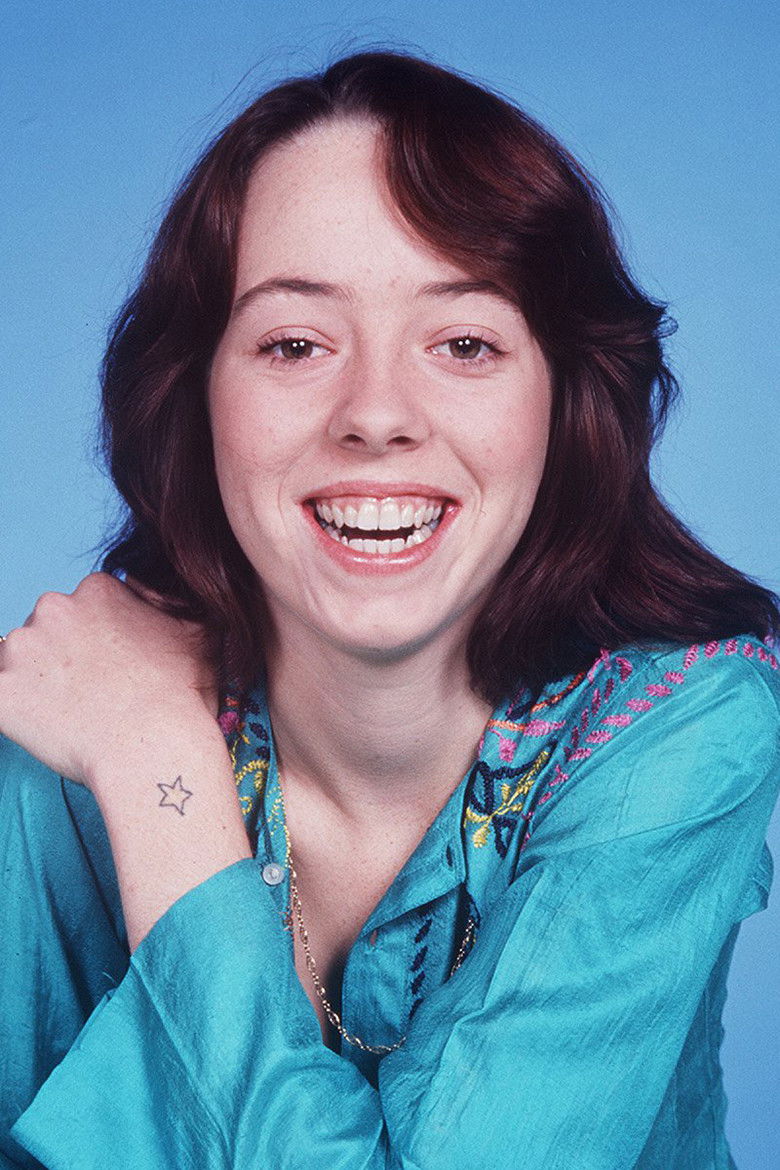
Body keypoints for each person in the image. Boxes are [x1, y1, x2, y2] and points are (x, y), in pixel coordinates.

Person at [1, 49, 778, 1170]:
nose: (375, 413)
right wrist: (120, 748)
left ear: (565, 399)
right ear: (193, 394)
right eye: (294, 344)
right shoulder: (57, 739)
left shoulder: (684, 733)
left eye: (464, 343)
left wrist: (155, 774)